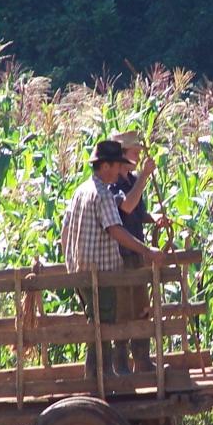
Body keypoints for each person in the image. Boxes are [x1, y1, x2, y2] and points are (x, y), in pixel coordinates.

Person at [60, 139, 165, 379]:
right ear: (105, 166)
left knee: (97, 324)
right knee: (104, 326)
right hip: (101, 273)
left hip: (82, 271)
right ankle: (101, 379)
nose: (119, 171)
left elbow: (65, 231)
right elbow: (115, 230)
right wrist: (148, 252)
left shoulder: (82, 191)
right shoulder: (103, 194)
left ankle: (99, 377)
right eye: (117, 165)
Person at [107, 130, 165, 374]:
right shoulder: (113, 184)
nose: (139, 157)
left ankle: (142, 359)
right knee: (123, 308)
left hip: (136, 254)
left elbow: (137, 213)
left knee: (142, 307)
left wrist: (154, 218)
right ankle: (120, 363)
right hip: (121, 254)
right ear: (122, 155)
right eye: (135, 153)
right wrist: (145, 176)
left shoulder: (130, 180)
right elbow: (127, 207)